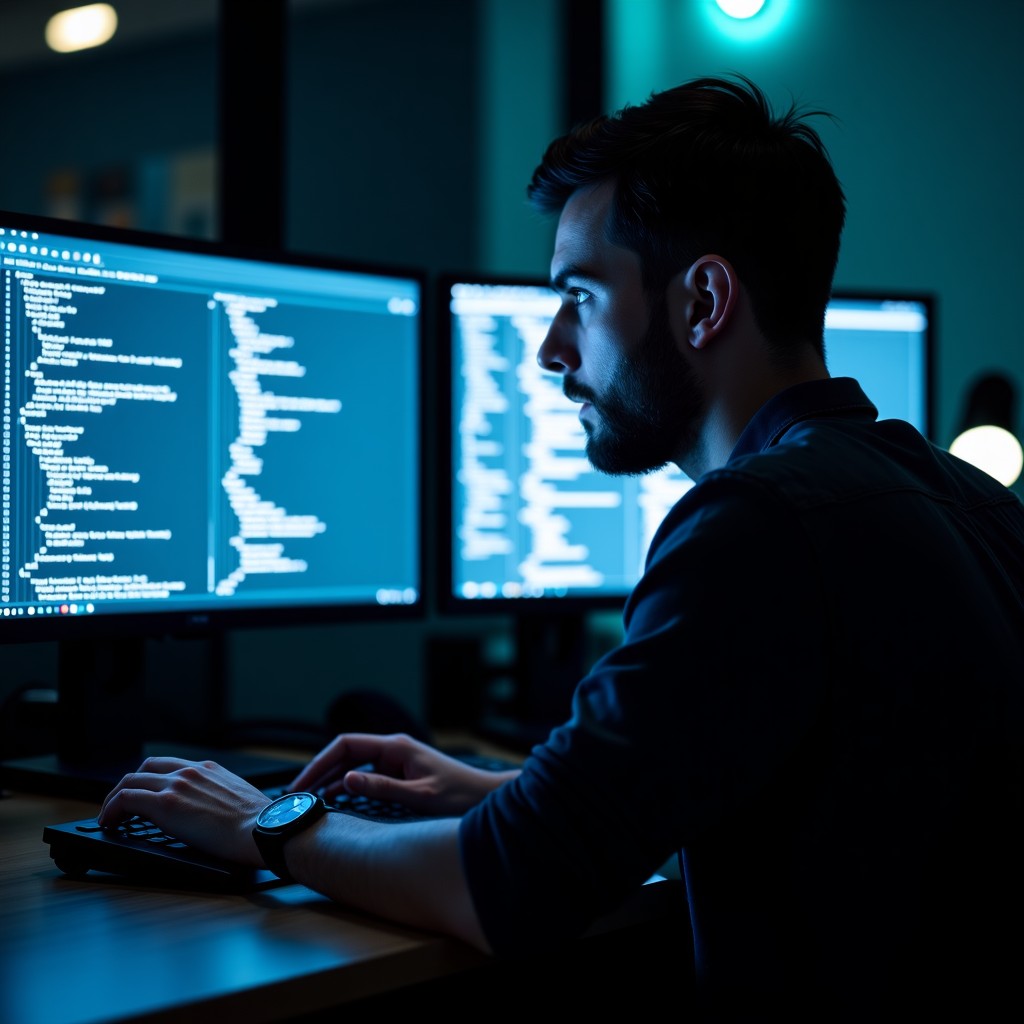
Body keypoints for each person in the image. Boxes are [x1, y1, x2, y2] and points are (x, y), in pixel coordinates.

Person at [99, 74, 1024, 1018]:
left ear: (704, 300)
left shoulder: (755, 523)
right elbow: (838, 801)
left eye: (580, 295)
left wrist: (269, 824)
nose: (551, 348)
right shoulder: (974, 500)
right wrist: (505, 791)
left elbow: (511, 886)